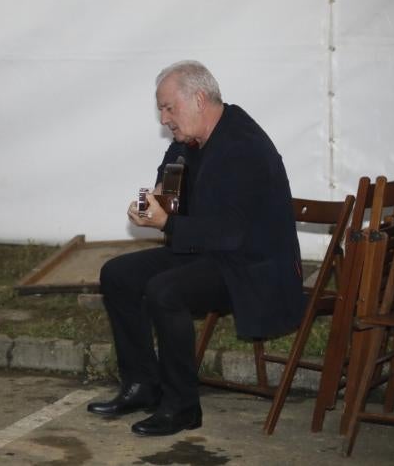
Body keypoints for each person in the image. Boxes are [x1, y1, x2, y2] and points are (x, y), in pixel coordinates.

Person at [86, 60, 304, 437]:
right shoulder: (189, 142)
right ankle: (141, 386)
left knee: (165, 291)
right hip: (211, 251)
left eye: (169, 108)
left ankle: (182, 406)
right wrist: (150, 205)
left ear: (199, 99)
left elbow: (231, 233)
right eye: (161, 110)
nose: (164, 118)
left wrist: (166, 223)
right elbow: (168, 191)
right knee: (117, 274)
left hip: (252, 266)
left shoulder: (244, 146)